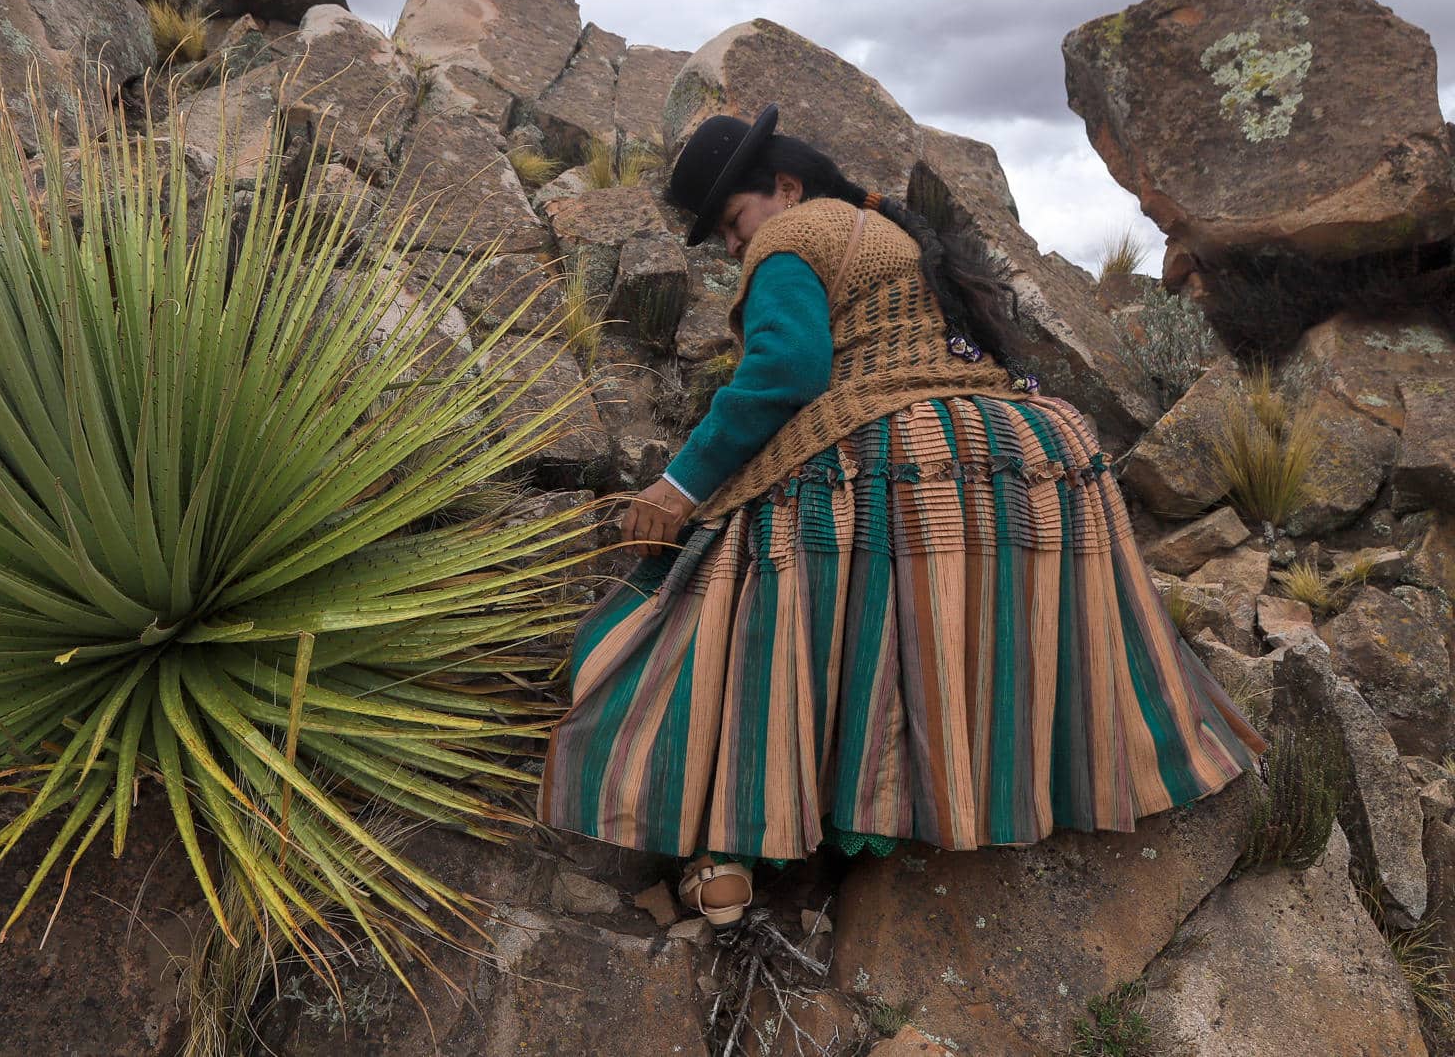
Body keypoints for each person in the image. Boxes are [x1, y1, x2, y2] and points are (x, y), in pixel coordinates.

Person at [535, 103, 1269, 927]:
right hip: (1027, 448)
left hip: (895, 445)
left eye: (734, 225)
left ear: (783, 186)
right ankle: (1057, 780)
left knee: (725, 597)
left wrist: (678, 485)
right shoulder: (898, 237)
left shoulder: (791, 238)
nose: (736, 248)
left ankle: (733, 833)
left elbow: (786, 370)